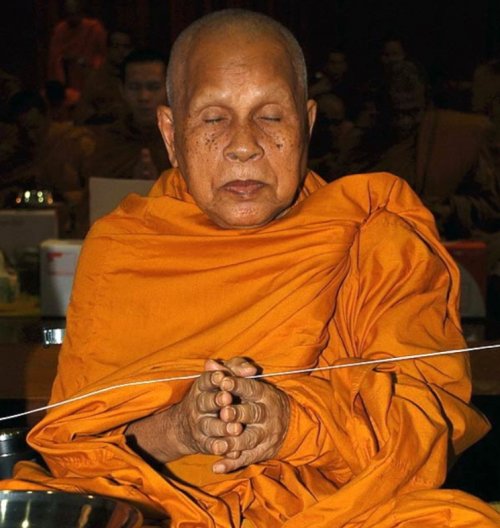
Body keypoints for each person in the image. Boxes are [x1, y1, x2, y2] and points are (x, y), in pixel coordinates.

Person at [4, 9, 500, 527]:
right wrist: (180, 429)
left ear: (307, 124)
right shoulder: (124, 249)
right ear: (171, 134)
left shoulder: (373, 233)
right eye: (213, 118)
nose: (244, 145)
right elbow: (77, 455)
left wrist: (291, 423)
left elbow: (423, 432)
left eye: (271, 116)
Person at [1, 90, 95, 237]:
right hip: (29, 228)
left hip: (74, 229)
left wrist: (62, 197)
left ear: (47, 116)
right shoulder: (18, 149)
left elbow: (96, 192)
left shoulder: (77, 143)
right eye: (23, 131)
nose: (31, 136)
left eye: (34, 127)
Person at [87, 49, 170, 180]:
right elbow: (97, 188)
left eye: (153, 87)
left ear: (170, 89)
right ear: (122, 90)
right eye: (134, 88)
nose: (143, 97)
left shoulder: (181, 140)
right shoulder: (110, 141)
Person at [73, 28, 134, 125]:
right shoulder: (96, 79)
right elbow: (81, 116)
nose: (121, 51)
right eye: (116, 46)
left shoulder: (139, 77)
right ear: (108, 50)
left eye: (126, 47)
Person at [47, 0, 107, 92]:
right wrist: (65, 59)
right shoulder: (60, 30)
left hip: (88, 74)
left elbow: (103, 54)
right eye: (69, 14)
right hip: (67, 75)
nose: (72, 17)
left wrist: (88, 62)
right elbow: (54, 56)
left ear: (81, 12)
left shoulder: (94, 28)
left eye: (75, 13)